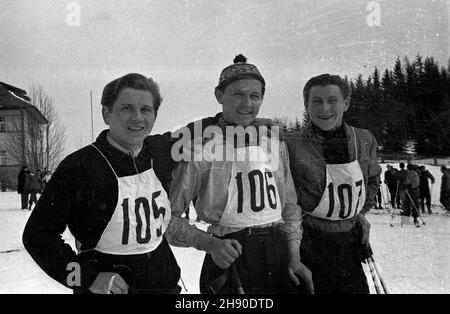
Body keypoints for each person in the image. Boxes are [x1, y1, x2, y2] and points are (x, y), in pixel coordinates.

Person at [166, 55, 313, 294]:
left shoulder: (273, 142)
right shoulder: (199, 149)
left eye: (255, 96)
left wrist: (294, 255)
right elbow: (167, 219)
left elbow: (289, 206)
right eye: (238, 94)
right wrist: (209, 244)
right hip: (229, 255)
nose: (247, 103)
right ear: (219, 95)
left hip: (277, 253)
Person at [23, 73, 181, 294]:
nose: (137, 118)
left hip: (165, 286)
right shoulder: (79, 166)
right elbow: (37, 237)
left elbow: (209, 131)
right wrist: (86, 278)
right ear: (107, 114)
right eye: (126, 108)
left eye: (145, 109)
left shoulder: (161, 151)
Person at [286, 74, 382, 294]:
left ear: (346, 103)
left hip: (350, 242)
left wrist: (360, 212)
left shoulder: (364, 139)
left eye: (332, 100)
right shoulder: (291, 143)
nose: (324, 108)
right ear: (306, 105)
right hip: (309, 243)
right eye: (316, 101)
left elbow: (373, 178)